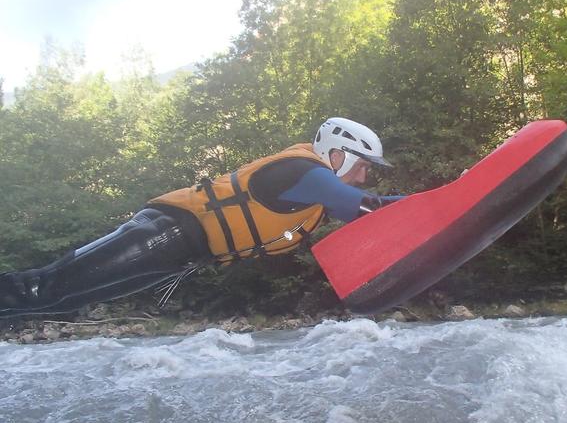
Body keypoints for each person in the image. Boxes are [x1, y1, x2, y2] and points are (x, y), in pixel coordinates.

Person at [0, 117, 402, 316]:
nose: (365, 175)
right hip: (165, 232)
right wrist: (442, 199)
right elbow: (367, 208)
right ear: (338, 154)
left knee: (53, 304)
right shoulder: (303, 172)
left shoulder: (315, 195)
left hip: (181, 255)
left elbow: (362, 219)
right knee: (41, 290)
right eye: (363, 165)